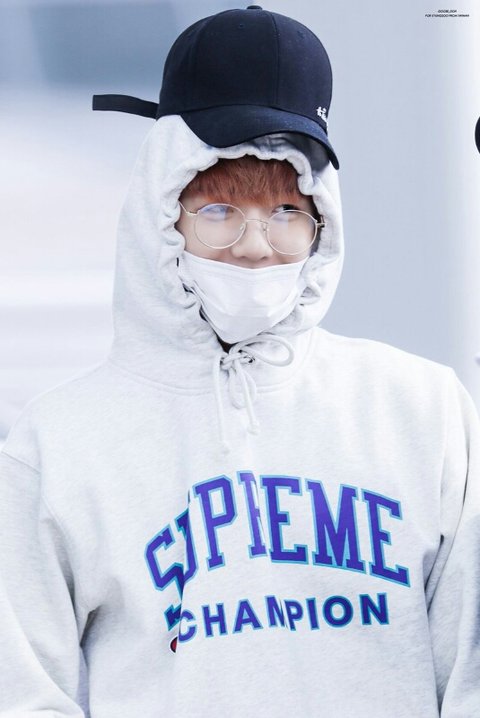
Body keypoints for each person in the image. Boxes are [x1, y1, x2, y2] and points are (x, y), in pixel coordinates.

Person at [0, 5, 479, 717]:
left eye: (286, 212)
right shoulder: (57, 446)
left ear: (323, 221)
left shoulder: (422, 412)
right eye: (219, 211)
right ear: (162, 212)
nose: (256, 246)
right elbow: (24, 694)